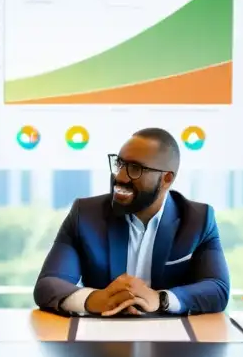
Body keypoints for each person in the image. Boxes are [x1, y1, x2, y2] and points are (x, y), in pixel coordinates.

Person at [34, 128, 230, 316]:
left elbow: (217, 289)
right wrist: (95, 299)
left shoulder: (198, 219)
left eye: (135, 168)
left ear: (166, 179)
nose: (119, 176)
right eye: (120, 164)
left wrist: (160, 299)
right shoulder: (85, 215)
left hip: (171, 340)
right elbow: (48, 284)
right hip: (99, 336)